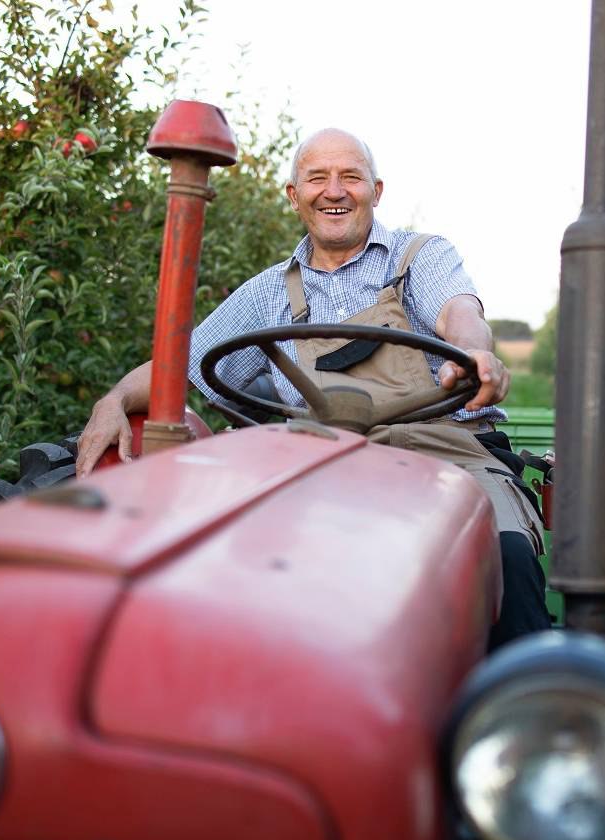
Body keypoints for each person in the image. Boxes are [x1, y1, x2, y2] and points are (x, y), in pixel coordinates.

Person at [75, 128, 550, 649]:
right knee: (237, 559)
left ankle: (526, 713)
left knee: (506, 555)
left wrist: (476, 352)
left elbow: (459, 311)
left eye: (351, 176)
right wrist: (114, 399)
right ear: (294, 194)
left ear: (377, 190)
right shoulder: (267, 292)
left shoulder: (418, 258)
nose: (335, 191)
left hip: (447, 455)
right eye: (317, 178)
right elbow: (178, 366)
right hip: (325, 465)